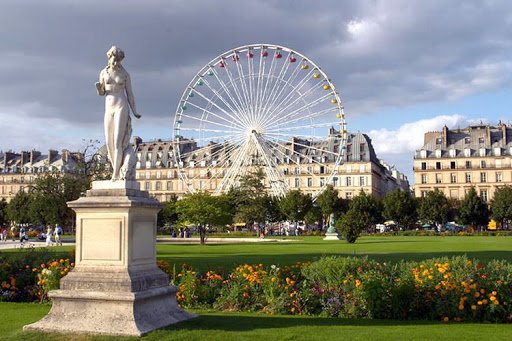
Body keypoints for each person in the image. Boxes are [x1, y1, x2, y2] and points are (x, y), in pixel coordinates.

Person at [96, 45, 141, 181]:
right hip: (109, 108)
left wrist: (134, 111)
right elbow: (102, 93)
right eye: (114, 60)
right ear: (109, 58)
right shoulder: (103, 73)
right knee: (109, 141)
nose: (116, 63)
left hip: (121, 106)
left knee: (117, 142)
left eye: (118, 60)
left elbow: (130, 94)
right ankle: (116, 170)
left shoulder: (125, 74)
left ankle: (115, 174)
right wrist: (98, 89)